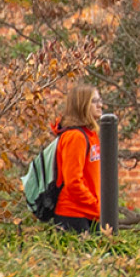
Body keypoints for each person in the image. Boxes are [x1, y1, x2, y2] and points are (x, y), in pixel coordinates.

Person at [47, 85, 103, 235]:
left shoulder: (90, 135)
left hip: (89, 213)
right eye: (94, 101)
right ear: (82, 105)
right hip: (73, 215)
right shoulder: (75, 137)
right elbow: (73, 182)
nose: (100, 105)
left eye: (100, 100)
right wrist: (96, 207)